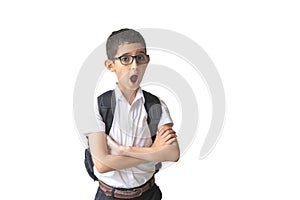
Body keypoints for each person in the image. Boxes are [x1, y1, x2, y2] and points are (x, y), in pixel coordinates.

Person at [88, 28, 180, 200]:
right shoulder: (97, 106)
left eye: (140, 57)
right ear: (110, 65)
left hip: (148, 194)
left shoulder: (156, 105)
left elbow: (172, 154)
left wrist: (123, 150)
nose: (135, 65)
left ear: (147, 60)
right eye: (125, 59)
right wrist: (154, 151)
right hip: (110, 196)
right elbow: (101, 164)